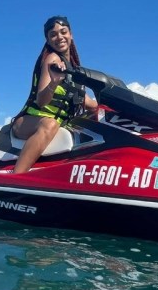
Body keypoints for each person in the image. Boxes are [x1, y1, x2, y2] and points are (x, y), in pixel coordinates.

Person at [11, 16, 98, 173]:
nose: (59, 37)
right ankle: (15, 179)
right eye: (53, 34)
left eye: (63, 32)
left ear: (71, 34)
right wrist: (54, 82)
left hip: (58, 124)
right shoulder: (52, 60)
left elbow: (93, 106)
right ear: (48, 40)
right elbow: (42, 101)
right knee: (50, 124)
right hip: (29, 123)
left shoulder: (72, 70)